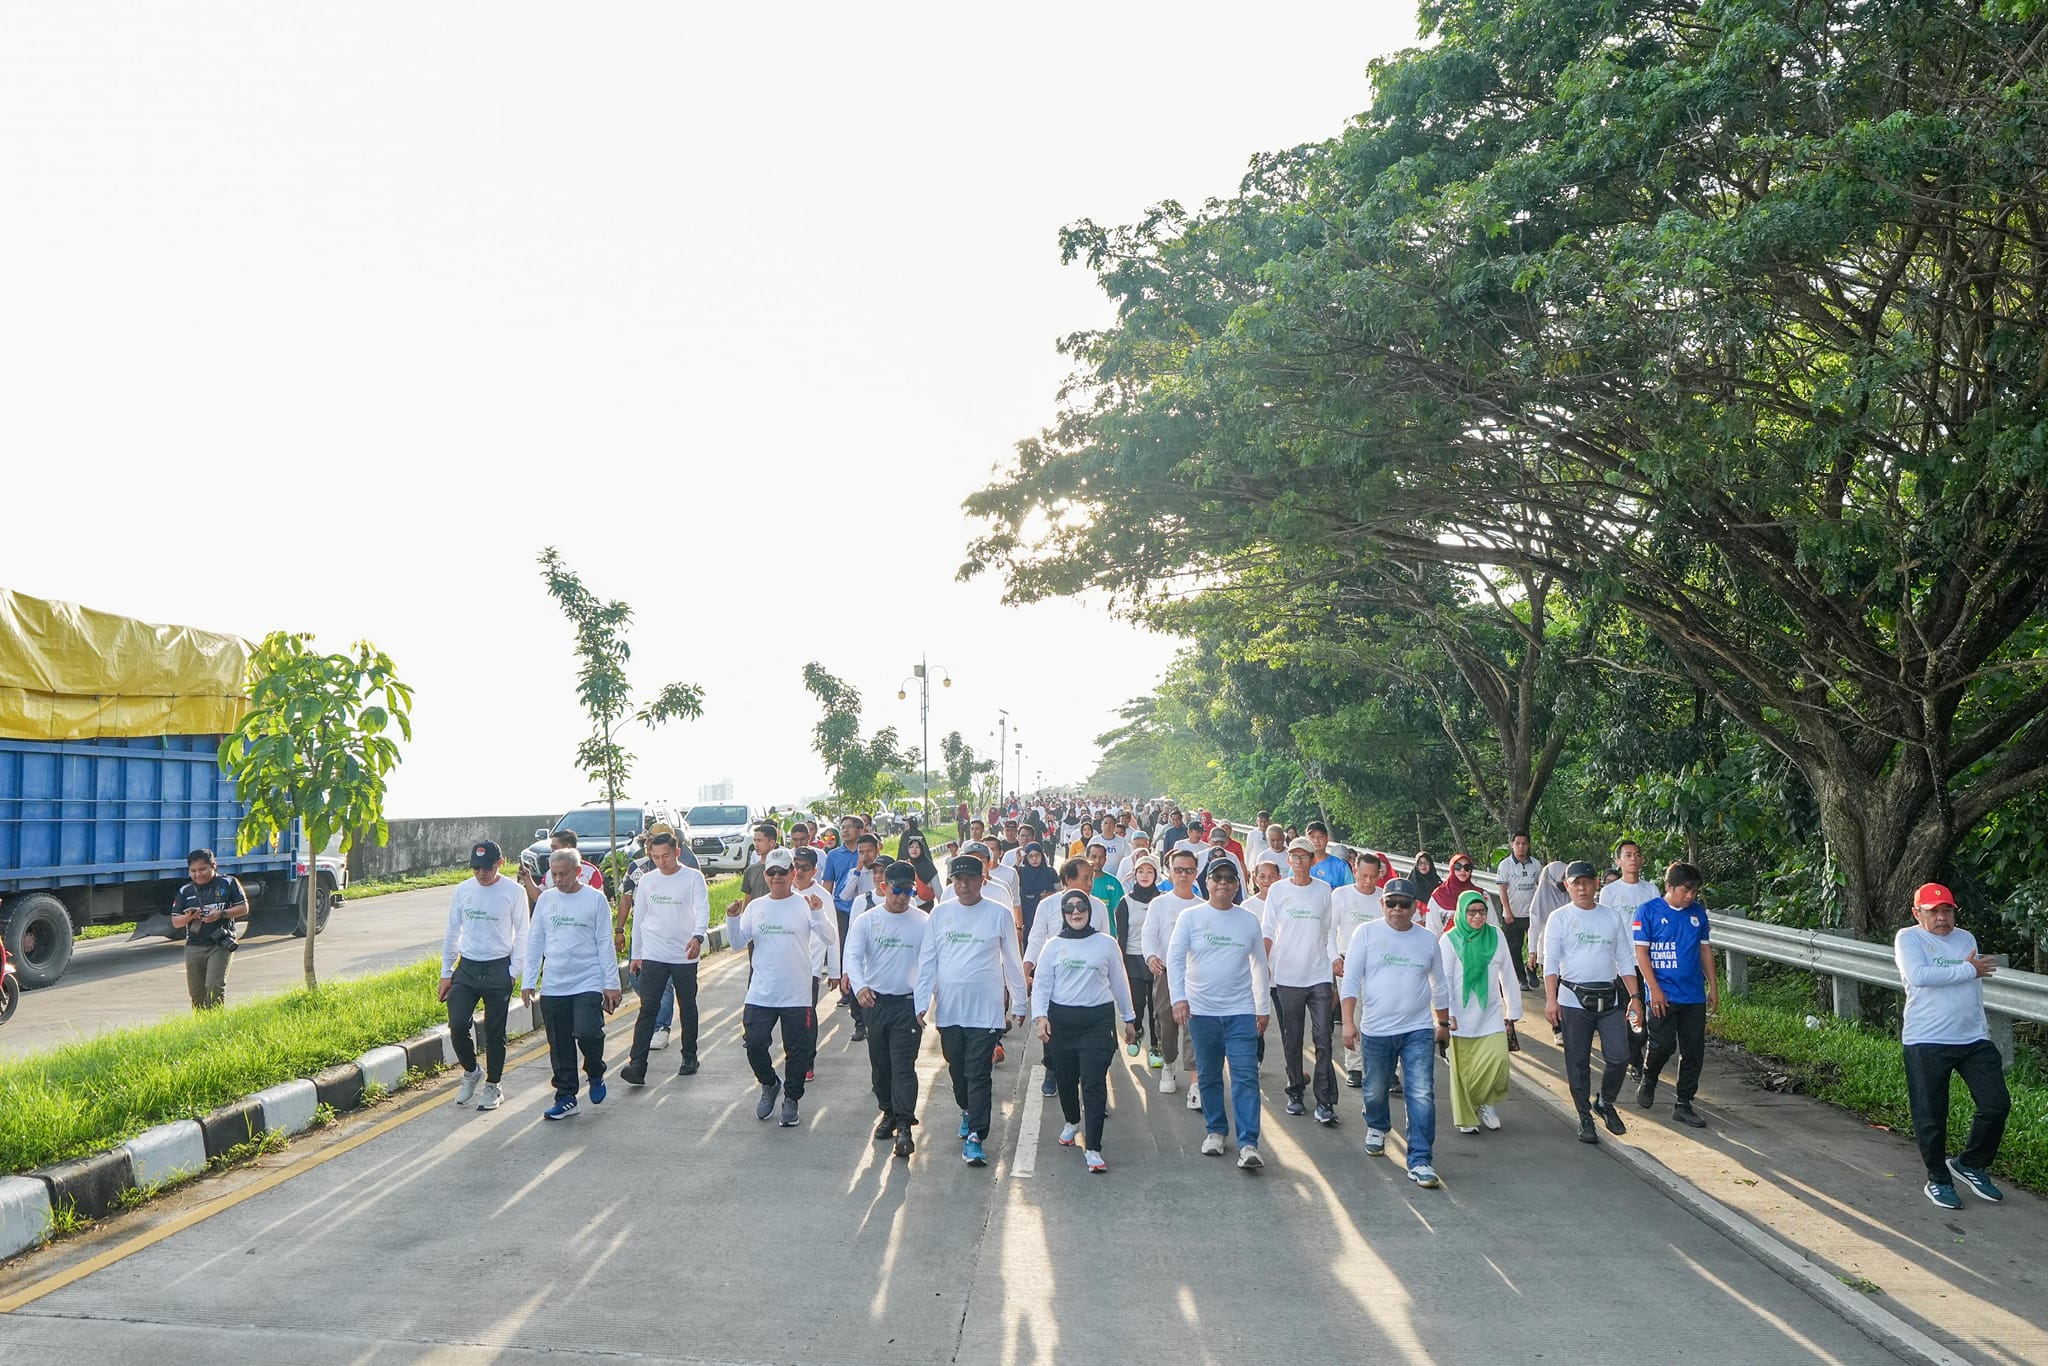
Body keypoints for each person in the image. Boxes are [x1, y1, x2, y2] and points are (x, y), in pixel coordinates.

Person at [1895, 883, 2009, 1210]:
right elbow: (1919, 975)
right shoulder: (1909, 938)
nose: (1942, 918)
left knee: (1996, 1104)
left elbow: (1965, 983)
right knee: (1931, 1115)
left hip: (1972, 1038)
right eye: (1934, 912)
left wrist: (1967, 973)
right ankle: (1938, 1179)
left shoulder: (1965, 939)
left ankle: (1969, 1164)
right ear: (1918, 914)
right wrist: (1969, 969)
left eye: (1947, 911)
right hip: (1926, 1040)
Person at [916, 856, 1028, 1166]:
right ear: (952, 881)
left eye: (969, 878)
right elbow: (928, 960)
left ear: (983, 879)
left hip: (986, 1011)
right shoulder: (940, 915)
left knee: (979, 1073)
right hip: (950, 1009)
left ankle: (977, 1135)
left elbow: (1012, 960)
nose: (963, 884)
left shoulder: (999, 914)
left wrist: (1019, 1001)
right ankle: (966, 1110)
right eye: (957, 879)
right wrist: (921, 1001)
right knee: (958, 1070)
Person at [1339, 877, 1450, 1188]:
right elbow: (1350, 981)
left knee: (1421, 1094)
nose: (1397, 910)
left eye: (1404, 904)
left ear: (1415, 907)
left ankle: (1420, 1159)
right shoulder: (1366, 934)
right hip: (1376, 1030)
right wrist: (1348, 1021)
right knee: (1374, 1089)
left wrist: (1443, 1024)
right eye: (1391, 903)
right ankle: (1377, 1125)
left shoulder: (1427, 940)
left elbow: (1439, 985)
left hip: (1417, 1030)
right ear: (1382, 904)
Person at [1167, 859, 1271, 1170]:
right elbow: (1175, 960)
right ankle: (1215, 1131)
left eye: (1229, 878)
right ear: (1207, 883)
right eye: (1217, 878)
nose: (1223, 883)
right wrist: (1178, 999)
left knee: (1245, 1078)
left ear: (1238, 885)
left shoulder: (1249, 920)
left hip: (1240, 1011)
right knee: (1209, 1076)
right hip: (1201, 1011)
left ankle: (1249, 1143)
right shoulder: (1191, 917)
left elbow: (1259, 966)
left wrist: (1262, 1007)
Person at [726, 846, 839, 1127]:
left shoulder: (807, 903)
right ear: (766, 875)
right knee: (754, 1044)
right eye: (772, 872)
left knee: (797, 1051)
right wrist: (732, 919)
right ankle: (769, 1083)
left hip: (797, 993)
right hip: (762, 991)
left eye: (783, 872)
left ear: (793, 873)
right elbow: (738, 943)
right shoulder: (757, 907)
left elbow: (829, 937)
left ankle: (791, 1099)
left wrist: (817, 914)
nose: (778, 877)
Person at [1033, 889, 1139, 1174]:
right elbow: (1042, 984)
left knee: (1093, 1083)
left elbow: (1120, 981)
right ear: (1063, 914)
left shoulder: (1106, 944)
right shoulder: (1053, 946)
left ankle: (1093, 1147)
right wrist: (1040, 1017)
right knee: (1066, 1081)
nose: (1076, 912)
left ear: (1090, 910)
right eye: (1070, 908)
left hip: (1097, 1021)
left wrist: (1129, 1019)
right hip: (1062, 1022)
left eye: (1082, 907)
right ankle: (1071, 1121)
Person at [521, 848, 622, 1120]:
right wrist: (528, 980)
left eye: (563, 874)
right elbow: (535, 941)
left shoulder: (594, 900)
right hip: (555, 983)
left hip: (588, 979)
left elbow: (604, 943)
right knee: (560, 1043)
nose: (558, 879)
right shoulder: (546, 901)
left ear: (578, 872)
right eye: (553, 874)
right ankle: (566, 1096)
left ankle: (596, 1070)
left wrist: (611, 983)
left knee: (589, 1032)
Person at [1544, 860, 1640, 1144]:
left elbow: (1625, 957)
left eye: (1587, 882)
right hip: (1573, 998)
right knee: (1578, 1061)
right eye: (1576, 883)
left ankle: (1605, 1102)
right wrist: (1551, 1000)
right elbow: (1550, 963)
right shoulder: (1560, 918)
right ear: (1567, 886)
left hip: (1609, 997)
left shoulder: (1611, 917)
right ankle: (1584, 1115)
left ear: (1596, 883)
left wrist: (1635, 998)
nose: (1582, 888)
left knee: (1620, 1055)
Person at [845, 861, 931, 1159]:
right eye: (898, 890)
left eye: (909, 890)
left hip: (907, 1005)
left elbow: (931, 966)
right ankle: (888, 1112)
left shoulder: (923, 922)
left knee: (903, 1066)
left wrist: (924, 1003)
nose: (903, 896)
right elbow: (852, 957)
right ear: (884, 887)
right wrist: (860, 987)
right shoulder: (867, 921)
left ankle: (905, 1125)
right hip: (875, 1003)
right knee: (881, 1066)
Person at [439, 839, 528, 1112]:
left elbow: (524, 932)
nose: (481, 874)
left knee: (494, 1032)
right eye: (476, 868)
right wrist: (446, 972)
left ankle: (494, 1085)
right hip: (467, 968)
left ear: (500, 864)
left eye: (487, 868)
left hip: (498, 968)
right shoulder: (463, 890)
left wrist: (514, 971)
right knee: (457, 1025)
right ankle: (471, 1071)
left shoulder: (513, 892)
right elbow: (453, 931)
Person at [619, 831, 710, 1086]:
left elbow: (703, 908)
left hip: (684, 954)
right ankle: (637, 1064)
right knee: (648, 1007)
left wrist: (698, 937)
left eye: (666, 856)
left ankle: (689, 1056)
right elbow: (640, 918)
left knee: (687, 1005)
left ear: (677, 852)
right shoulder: (647, 881)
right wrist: (636, 955)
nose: (661, 861)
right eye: (656, 857)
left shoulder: (693, 878)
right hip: (654, 953)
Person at [1630, 861, 1716, 1127]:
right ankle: (1649, 1077)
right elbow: (1641, 953)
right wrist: (1654, 990)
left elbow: (1704, 950)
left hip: (1693, 996)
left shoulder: (1698, 914)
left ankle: (1684, 1103)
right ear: (1669, 886)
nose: (1690, 896)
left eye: (1694, 891)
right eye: (1685, 890)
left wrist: (1713, 985)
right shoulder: (1648, 912)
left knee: (1693, 1051)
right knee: (1662, 1045)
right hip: (1663, 994)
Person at [1262, 838, 1339, 1125]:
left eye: (1304, 857)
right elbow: (1268, 928)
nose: (1298, 862)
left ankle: (1325, 1100)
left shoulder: (1323, 890)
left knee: (1323, 1039)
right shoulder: (1278, 890)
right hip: (1287, 975)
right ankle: (1295, 1091)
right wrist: (1264, 964)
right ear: (1289, 861)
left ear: (1312, 859)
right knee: (1292, 1038)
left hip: (1318, 973)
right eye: (1293, 857)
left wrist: (1334, 962)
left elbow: (1328, 931)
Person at [1440, 890, 1522, 1135]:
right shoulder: (1450, 940)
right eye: (1471, 912)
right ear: (1461, 913)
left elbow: (1507, 972)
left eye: (1482, 911)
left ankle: (1485, 1102)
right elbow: (1442, 980)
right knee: (1464, 1071)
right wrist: (1447, 1014)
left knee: (1498, 1062)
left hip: (1490, 1014)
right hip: (1460, 1017)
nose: (1477, 917)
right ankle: (1467, 1116)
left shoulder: (1496, 936)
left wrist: (1513, 1008)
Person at [1140, 848, 1209, 1099]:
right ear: (1170, 871)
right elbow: (1149, 934)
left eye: (1189, 870)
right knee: (1166, 1024)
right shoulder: (1160, 903)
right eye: (1178, 870)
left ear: (1196, 873)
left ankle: (1195, 1081)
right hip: (1167, 973)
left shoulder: (1203, 906)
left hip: (1196, 976)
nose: (1183, 875)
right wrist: (1151, 957)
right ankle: (1168, 1066)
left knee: (1195, 1026)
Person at [1600, 839, 1660, 1077]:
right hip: (1623, 963)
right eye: (1627, 855)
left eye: (1636, 854)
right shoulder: (1609, 892)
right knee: (1631, 1012)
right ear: (1618, 861)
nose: (1633, 859)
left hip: (1649, 960)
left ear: (1642, 860)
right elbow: (1605, 926)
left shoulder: (1651, 890)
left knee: (1650, 1012)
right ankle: (1636, 1061)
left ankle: (1641, 1055)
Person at [1329, 849, 1385, 1088]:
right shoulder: (1340, 895)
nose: (1368, 881)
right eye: (1364, 876)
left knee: (1379, 1016)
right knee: (1353, 1015)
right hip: (1348, 962)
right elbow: (1329, 931)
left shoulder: (1384, 897)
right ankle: (1355, 1066)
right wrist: (1334, 958)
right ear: (1355, 871)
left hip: (1378, 965)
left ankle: (1383, 1066)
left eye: (1373, 876)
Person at [170, 848, 247, 1010]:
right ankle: (201, 1027)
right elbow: (176, 922)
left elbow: (243, 908)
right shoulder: (185, 891)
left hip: (220, 944)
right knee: (197, 993)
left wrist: (222, 913)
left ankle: (216, 1024)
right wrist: (190, 917)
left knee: (214, 986)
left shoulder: (228, 883)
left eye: (202, 869)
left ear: (214, 866)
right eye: (193, 871)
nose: (198, 874)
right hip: (194, 945)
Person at [1120, 855, 1165, 1065]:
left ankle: (1156, 1047)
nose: (1145, 876)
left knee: (1156, 1006)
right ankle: (1137, 1032)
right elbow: (1122, 936)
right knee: (1137, 1003)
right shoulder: (1125, 902)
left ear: (1156, 874)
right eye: (1140, 871)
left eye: (1149, 871)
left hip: (1157, 961)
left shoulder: (1163, 900)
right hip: (1133, 958)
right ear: (1134, 874)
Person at [1495, 833, 1543, 990]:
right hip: (1513, 914)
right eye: (1518, 843)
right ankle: (1520, 978)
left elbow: (1541, 887)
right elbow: (1502, 890)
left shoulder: (1535, 864)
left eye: (1524, 843)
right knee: (1514, 947)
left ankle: (1531, 970)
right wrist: (1507, 912)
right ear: (1512, 844)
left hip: (1532, 914)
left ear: (1528, 845)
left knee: (1534, 945)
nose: (1521, 847)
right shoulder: (1505, 865)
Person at [520, 829, 603, 907]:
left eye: (554, 848)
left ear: (568, 847)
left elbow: (598, 902)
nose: (551, 851)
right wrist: (528, 879)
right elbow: (539, 898)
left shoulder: (591, 872)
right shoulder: (550, 873)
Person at [1528, 858, 1570, 993]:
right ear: (1551, 878)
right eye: (1561, 877)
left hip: (1570, 949)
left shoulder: (1572, 896)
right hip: (1548, 950)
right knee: (1554, 990)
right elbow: (1534, 928)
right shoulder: (1539, 902)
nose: (1564, 881)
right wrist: (1532, 952)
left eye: (1566, 877)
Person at [1426, 854, 1488, 933]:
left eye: (1467, 867)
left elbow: (1492, 924)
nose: (1462, 870)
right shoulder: (1438, 895)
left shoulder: (1480, 895)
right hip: (1447, 944)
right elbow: (1432, 929)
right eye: (1458, 867)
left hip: (1477, 943)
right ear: (1452, 868)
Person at [1016, 842, 1060, 949]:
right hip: (1027, 911)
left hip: (1048, 909)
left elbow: (1059, 890)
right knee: (1030, 939)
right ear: (1026, 857)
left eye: (1037, 855)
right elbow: (1011, 884)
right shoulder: (1021, 871)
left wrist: (1051, 895)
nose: (1034, 859)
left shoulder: (1050, 872)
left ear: (1042, 855)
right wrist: (1017, 862)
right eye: (1031, 856)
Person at [899, 833, 941, 908]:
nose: (914, 849)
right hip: (908, 908)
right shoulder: (904, 866)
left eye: (917, 847)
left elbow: (939, 891)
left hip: (926, 907)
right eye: (911, 847)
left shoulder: (929, 867)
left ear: (921, 849)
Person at [1306, 822, 1353, 888]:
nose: (1316, 840)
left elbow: (1351, 891)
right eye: (1312, 837)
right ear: (1306, 839)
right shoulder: (1298, 864)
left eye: (1321, 837)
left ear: (1327, 839)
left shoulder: (1341, 866)